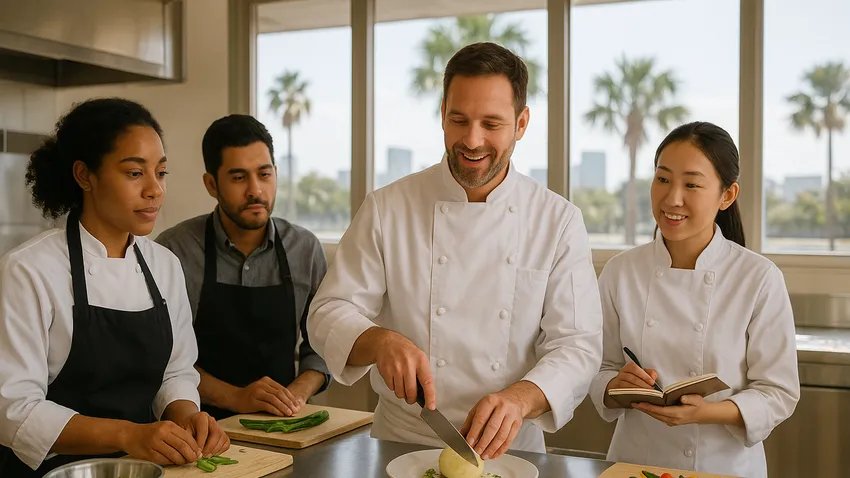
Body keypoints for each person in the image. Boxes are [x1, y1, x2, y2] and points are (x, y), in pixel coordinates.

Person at [307, 42, 603, 460]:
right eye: (458, 119)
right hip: (401, 440)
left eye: (491, 123)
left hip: (511, 451)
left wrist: (521, 398)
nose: (472, 139)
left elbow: (577, 345)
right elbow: (327, 311)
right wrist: (380, 341)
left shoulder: (557, 221)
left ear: (521, 123)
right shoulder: (388, 207)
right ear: (442, 112)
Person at [0, 98, 229, 477]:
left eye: (162, 172)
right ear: (84, 176)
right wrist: (129, 435)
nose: (155, 190)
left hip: (142, 469)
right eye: (135, 173)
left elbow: (175, 372)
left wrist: (188, 415)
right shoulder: (29, 270)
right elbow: (14, 411)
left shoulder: (164, 266)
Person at [589, 121, 799, 478]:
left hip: (724, 467)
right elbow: (596, 367)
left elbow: (778, 392)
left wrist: (706, 412)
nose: (672, 198)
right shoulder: (620, 272)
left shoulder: (758, 278)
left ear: (727, 195)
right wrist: (614, 385)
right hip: (634, 461)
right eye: (663, 179)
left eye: (692, 184)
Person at [156, 114, 330, 420]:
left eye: (264, 175)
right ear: (212, 184)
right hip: (197, 426)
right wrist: (237, 398)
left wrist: (295, 395)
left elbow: (324, 345)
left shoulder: (305, 249)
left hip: (283, 423)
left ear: (276, 173)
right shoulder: (174, 250)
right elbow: (163, 357)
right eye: (238, 178)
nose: (255, 190)